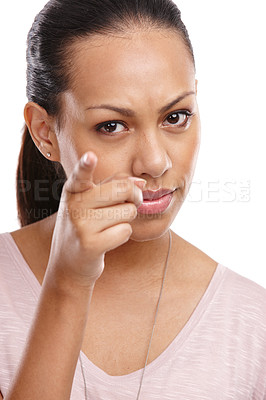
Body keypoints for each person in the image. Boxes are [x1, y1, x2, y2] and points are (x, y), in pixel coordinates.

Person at [0, 0, 265, 399]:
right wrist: (67, 283)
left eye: (175, 116)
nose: (155, 162)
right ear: (45, 133)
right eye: (112, 125)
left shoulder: (251, 323)